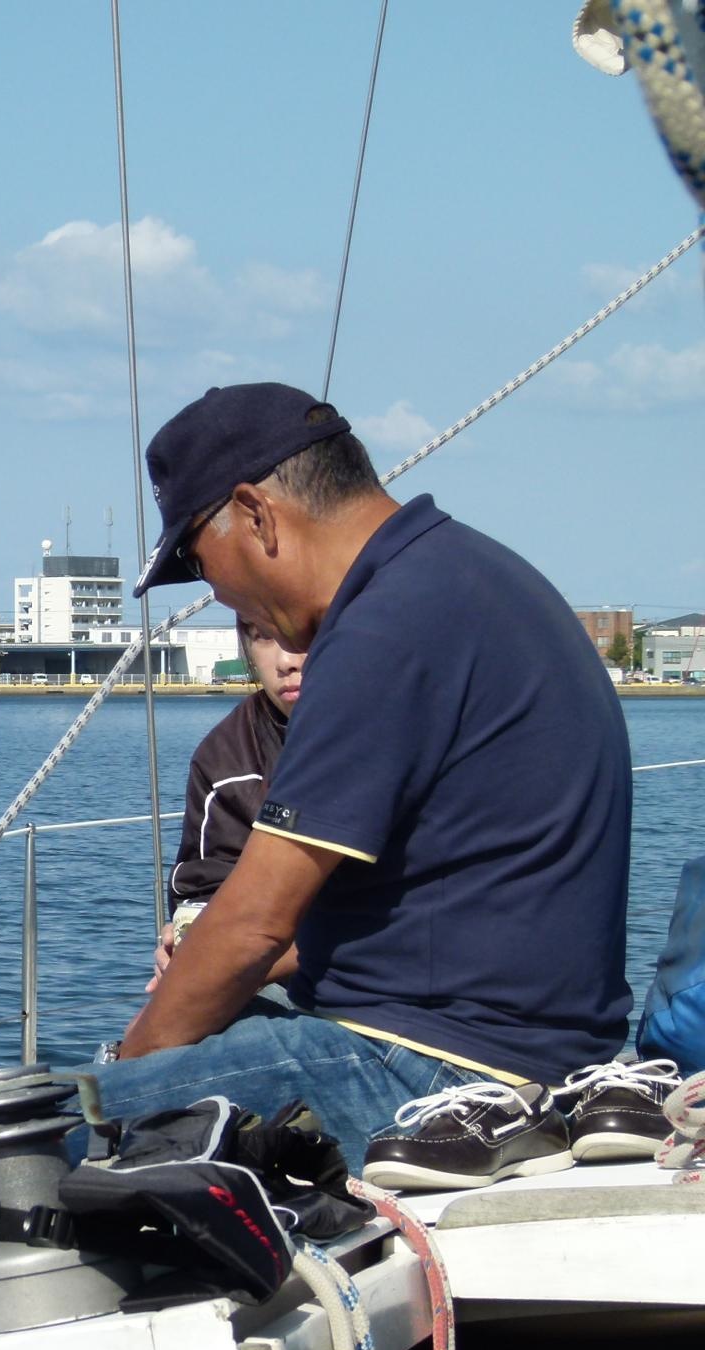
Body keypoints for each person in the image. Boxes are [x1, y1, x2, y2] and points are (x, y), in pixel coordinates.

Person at [94, 382, 632, 1170]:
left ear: (255, 514)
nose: (215, 593)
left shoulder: (384, 625)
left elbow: (255, 924)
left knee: (7, 1150)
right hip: (538, 1054)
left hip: (436, 1068)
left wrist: (126, 1085)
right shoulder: (472, 574)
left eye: (200, 561)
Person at [148, 617, 305, 991]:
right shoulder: (225, 758)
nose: (286, 661)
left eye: (306, 634)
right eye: (263, 636)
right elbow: (205, 889)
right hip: (269, 985)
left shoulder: (409, 728)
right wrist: (189, 942)